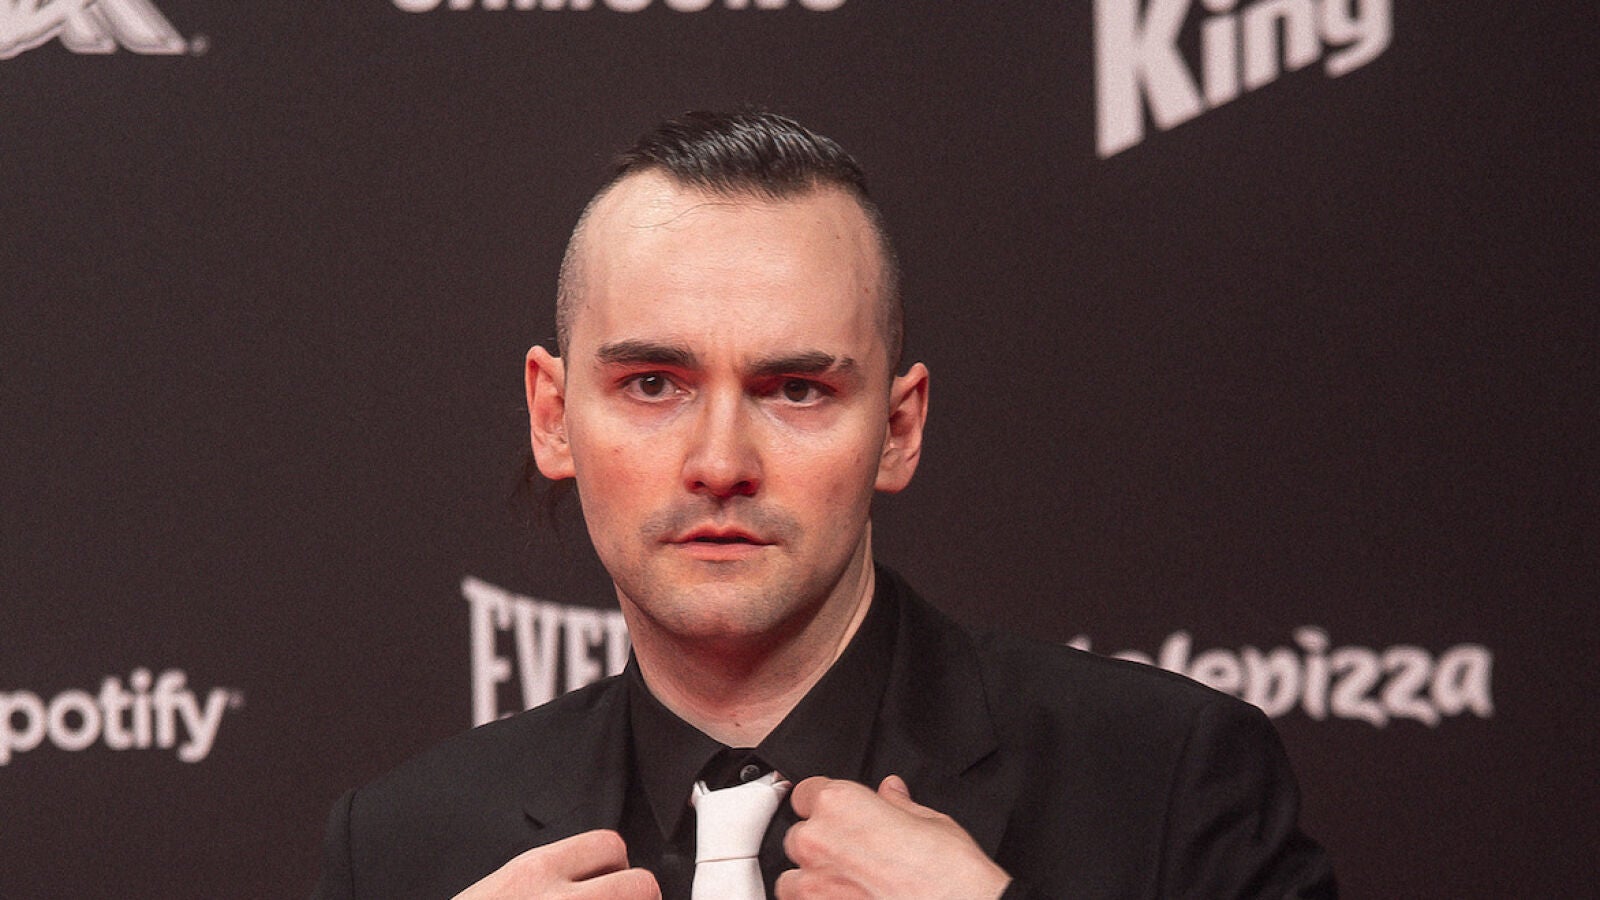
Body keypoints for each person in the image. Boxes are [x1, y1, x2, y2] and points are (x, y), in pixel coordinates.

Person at [313, 110, 1335, 899]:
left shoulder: (1164, 780)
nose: (720, 463)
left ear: (898, 428)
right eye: (653, 384)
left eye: (796, 390)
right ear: (553, 416)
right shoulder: (402, 847)